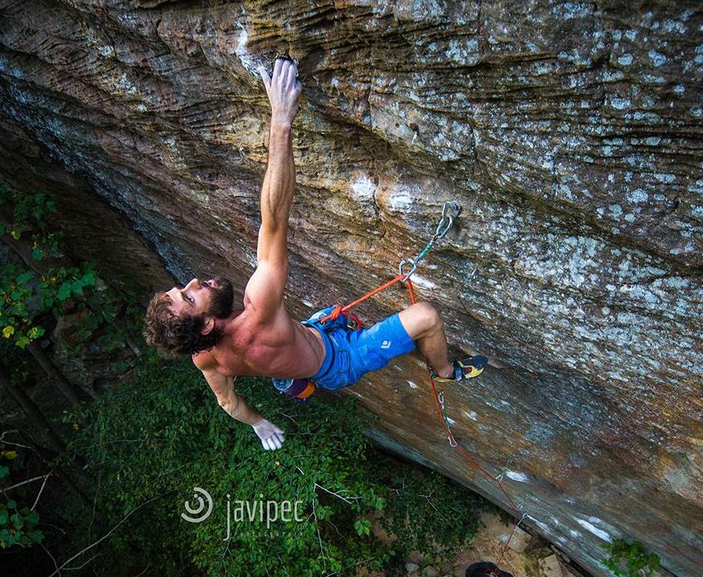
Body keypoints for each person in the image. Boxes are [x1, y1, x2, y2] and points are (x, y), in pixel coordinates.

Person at [143, 57, 490, 450]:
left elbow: (227, 402)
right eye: (189, 297)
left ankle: (289, 376)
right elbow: (274, 216)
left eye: (181, 288)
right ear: (206, 324)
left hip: (306, 337)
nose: (192, 282)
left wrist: (259, 424)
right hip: (340, 361)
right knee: (426, 316)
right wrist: (281, 119)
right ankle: (444, 371)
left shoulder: (205, 358)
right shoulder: (259, 310)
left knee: (305, 336)